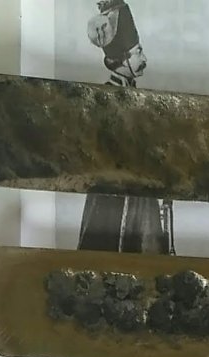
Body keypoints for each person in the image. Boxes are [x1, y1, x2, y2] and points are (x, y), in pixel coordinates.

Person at [76, 1, 171, 255]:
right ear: (122, 60)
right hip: (110, 196)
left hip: (140, 191)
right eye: (138, 53)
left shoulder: (137, 95)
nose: (144, 59)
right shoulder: (103, 97)